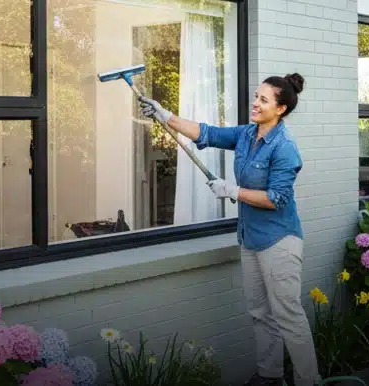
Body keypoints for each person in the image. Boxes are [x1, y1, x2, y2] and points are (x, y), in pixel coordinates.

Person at [137, 73, 319, 386]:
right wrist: (165, 115)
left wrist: (233, 192)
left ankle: (309, 380)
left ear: (281, 109)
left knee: (287, 315)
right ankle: (270, 375)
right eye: (256, 96)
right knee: (260, 312)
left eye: (264, 99)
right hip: (250, 239)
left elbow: (277, 198)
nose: (256, 103)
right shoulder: (247, 135)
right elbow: (207, 133)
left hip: (279, 241)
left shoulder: (284, 147)